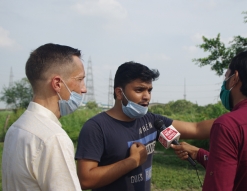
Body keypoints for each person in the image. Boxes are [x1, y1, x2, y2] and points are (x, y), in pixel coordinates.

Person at [75, 61, 214, 191]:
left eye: (149, 90)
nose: (147, 96)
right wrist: (132, 161)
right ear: (119, 92)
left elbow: (197, 129)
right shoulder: (96, 128)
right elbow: (85, 180)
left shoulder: (153, 121)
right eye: (139, 90)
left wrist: (233, 121)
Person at [171, 50, 247, 191]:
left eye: (226, 76)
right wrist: (199, 154)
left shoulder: (227, 125)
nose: (224, 82)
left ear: (234, 78)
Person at [2, 43, 86, 191]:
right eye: (80, 79)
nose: (84, 89)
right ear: (57, 83)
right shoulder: (53, 138)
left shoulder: (16, 128)